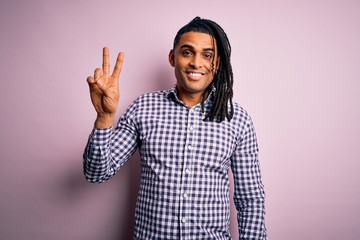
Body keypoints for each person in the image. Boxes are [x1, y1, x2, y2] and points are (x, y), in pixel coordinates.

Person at [83, 17, 267, 240]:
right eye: (187, 52)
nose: (196, 63)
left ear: (216, 63)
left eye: (207, 55)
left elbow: (250, 199)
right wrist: (104, 117)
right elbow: (96, 173)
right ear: (173, 57)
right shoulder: (143, 108)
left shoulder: (237, 119)